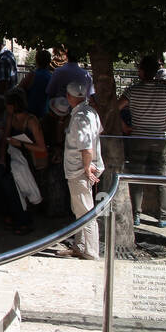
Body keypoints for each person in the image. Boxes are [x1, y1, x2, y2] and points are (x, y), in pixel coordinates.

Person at [118, 56, 166, 228]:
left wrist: (125, 126)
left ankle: (136, 214)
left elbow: (114, 108)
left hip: (139, 138)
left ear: (142, 71)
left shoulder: (132, 90)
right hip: (159, 139)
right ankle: (163, 216)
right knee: (162, 178)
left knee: (137, 177)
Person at [62, 80, 104, 259]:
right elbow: (99, 132)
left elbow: (86, 147)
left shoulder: (80, 117)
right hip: (82, 168)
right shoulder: (90, 112)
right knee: (80, 209)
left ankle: (91, 251)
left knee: (85, 211)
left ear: (70, 97)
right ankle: (79, 246)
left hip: (79, 170)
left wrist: (87, 167)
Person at [0, 87, 47, 235]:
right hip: (14, 159)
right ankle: (15, 216)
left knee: (16, 187)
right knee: (6, 183)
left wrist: (21, 144)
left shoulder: (31, 121)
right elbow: (5, 138)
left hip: (28, 161)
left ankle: (24, 220)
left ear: (14, 105)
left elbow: (41, 147)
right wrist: (1, 158)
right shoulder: (11, 118)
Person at [19, 49, 53, 119]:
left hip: (30, 110)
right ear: (49, 61)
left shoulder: (32, 75)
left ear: (36, 60)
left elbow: (19, 89)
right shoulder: (51, 76)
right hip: (44, 111)